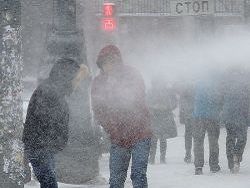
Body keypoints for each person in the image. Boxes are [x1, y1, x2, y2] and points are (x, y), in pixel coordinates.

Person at [91, 45, 152, 188]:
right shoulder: (98, 83)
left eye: (112, 62)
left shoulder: (132, 75)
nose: (109, 66)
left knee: (138, 175)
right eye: (105, 63)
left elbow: (138, 98)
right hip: (118, 136)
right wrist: (112, 128)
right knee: (116, 179)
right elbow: (98, 109)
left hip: (141, 133)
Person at [22, 58, 89, 188]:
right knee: (49, 183)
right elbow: (47, 122)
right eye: (76, 80)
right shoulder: (50, 92)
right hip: (40, 148)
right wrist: (57, 139)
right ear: (66, 78)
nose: (77, 84)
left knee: (48, 182)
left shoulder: (54, 91)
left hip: (43, 147)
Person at [192, 71, 223, 175]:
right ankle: (214, 165)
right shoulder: (217, 84)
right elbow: (219, 99)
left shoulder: (198, 82)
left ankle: (198, 166)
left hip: (198, 116)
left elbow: (191, 96)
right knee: (213, 141)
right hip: (213, 116)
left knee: (198, 142)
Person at [221, 67, 249, 173]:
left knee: (230, 138)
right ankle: (237, 155)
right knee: (242, 138)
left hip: (229, 115)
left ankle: (231, 162)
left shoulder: (226, 82)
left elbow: (221, 98)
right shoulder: (245, 83)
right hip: (241, 115)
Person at [147, 79, 177, 164]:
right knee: (154, 138)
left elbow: (174, 102)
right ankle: (153, 157)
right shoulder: (151, 92)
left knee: (162, 138)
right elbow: (146, 102)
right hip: (156, 116)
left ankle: (161, 158)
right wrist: (153, 107)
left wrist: (168, 107)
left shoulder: (167, 91)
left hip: (164, 115)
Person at [178, 82, 195, 163]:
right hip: (195, 115)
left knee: (188, 135)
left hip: (188, 115)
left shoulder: (184, 89)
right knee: (196, 136)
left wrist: (181, 114)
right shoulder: (195, 87)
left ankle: (188, 154)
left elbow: (181, 103)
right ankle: (196, 153)